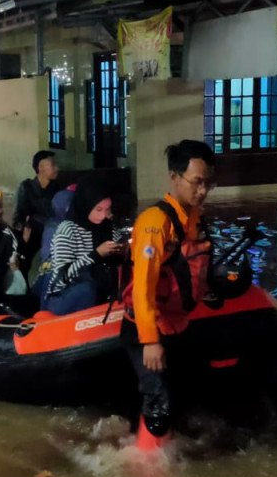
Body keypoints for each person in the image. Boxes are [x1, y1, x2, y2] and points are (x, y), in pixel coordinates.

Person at [120, 139, 216, 450]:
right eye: (196, 182)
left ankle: (172, 448)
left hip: (178, 324)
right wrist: (150, 341)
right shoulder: (155, 224)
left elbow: (191, 269)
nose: (202, 191)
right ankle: (147, 472)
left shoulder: (194, 220)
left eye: (207, 183)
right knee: (158, 401)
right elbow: (144, 287)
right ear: (174, 178)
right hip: (146, 328)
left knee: (184, 391)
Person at [42, 183, 128, 315]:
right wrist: (95, 255)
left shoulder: (108, 228)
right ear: (86, 206)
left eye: (108, 209)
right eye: (98, 210)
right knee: (87, 289)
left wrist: (124, 251)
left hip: (102, 295)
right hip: (67, 296)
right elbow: (61, 278)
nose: (104, 216)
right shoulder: (68, 230)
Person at [13, 151, 62, 274]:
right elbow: (19, 215)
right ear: (40, 167)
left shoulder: (57, 189)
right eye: (53, 165)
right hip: (33, 236)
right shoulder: (27, 187)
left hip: (52, 235)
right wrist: (22, 234)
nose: (57, 168)